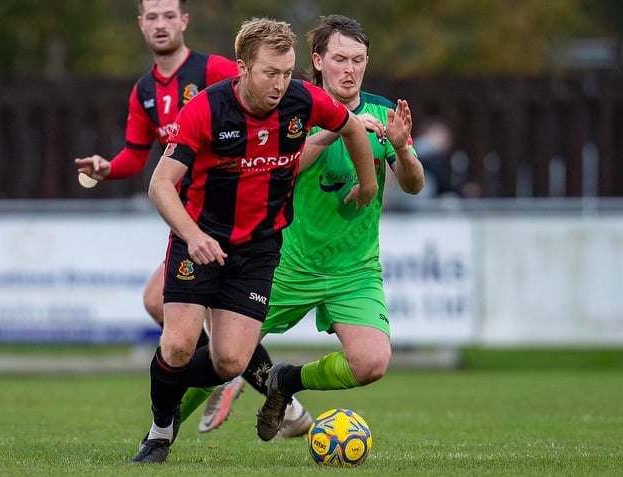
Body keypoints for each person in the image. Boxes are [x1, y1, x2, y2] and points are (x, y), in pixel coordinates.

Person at [130, 17, 378, 464]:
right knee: (179, 345)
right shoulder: (207, 109)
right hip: (198, 240)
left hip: (259, 250)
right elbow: (160, 185)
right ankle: (160, 431)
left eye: (287, 72)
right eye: (271, 72)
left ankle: (169, 377)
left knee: (229, 362)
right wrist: (193, 234)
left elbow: (353, 127)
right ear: (243, 67)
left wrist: (369, 185)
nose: (282, 83)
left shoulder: (303, 100)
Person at [73, 0, 310, 438]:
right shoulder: (145, 89)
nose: (160, 24)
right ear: (141, 24)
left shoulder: (216, 71)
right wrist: (108, 167)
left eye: (169, 15)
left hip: (238, 222)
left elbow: (270, 113)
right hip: (191, 222)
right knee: (160, 306)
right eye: (151, 16)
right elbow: (137, 155)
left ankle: (256, 388)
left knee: (184, 318)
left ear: (183, 21)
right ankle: (246, 384)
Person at [254, 14, 424, 441]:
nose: (350, 69)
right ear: (318, 60)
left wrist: (402, 149)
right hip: (290, 264)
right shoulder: (294, 108)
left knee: (371, 364)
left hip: (354, 270)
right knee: (225, 354)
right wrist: (339, 127)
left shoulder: (383, 112)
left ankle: (286, 381)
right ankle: (163, 428)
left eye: (358, 59)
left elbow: (414, 183)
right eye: (340, 59)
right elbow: (283, 169)